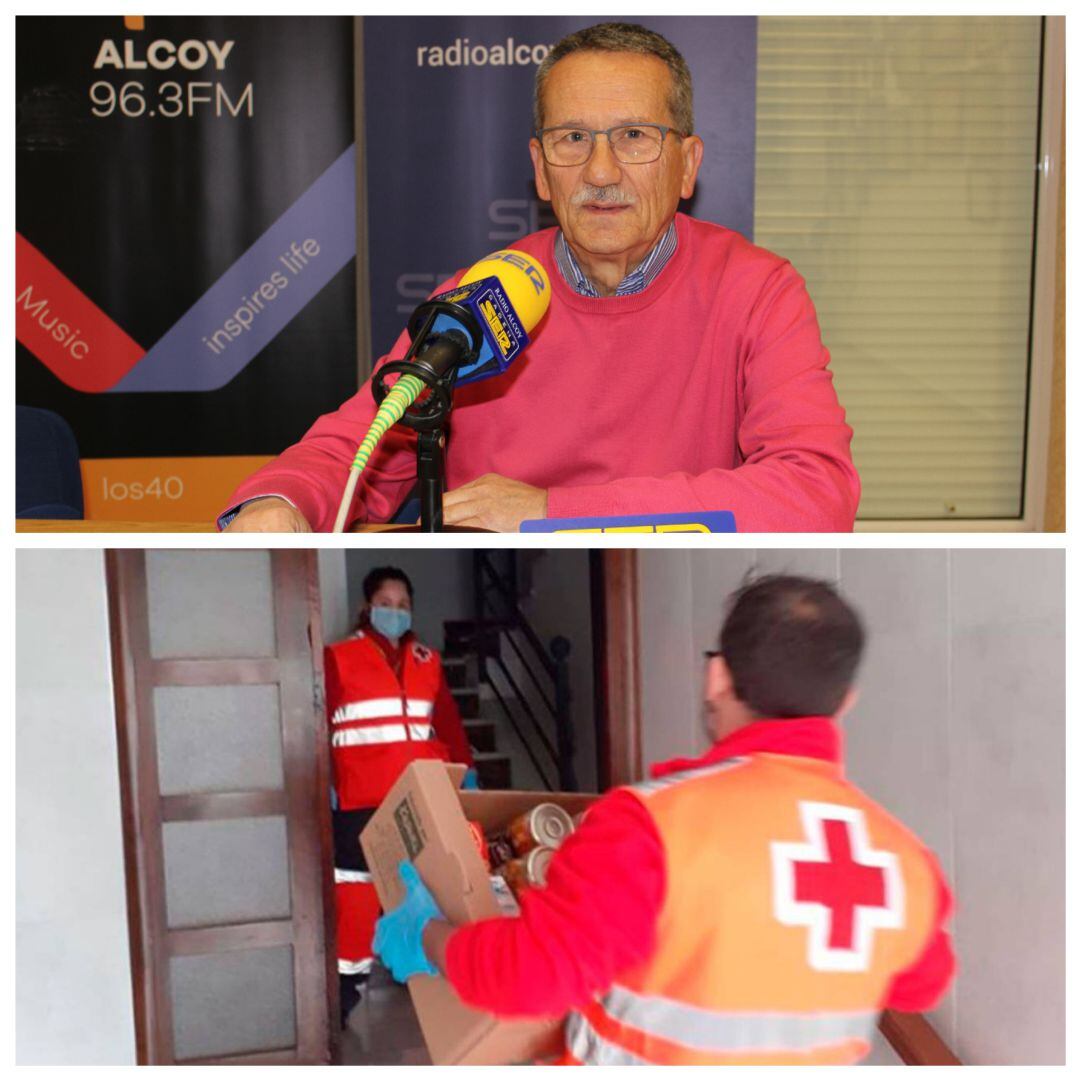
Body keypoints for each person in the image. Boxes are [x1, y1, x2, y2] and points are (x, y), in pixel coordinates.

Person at [220, 22, 859, 533]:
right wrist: (280, 501)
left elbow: (814, 496)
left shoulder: (758, 292)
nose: (601, 171)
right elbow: (352, 449)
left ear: (687, 164)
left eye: (635, 136)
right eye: (573, 138)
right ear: (541, 169)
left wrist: (550, 515)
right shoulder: (480, 297)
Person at [373, 575, 956, 1065]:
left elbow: (530, 976)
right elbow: (921, 980)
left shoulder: (651, 825)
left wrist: (426, 935)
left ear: (718, 677)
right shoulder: (905, 863)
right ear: (846, 699)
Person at [326, 565, 477, 1026]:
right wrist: (324, 786)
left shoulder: (428, 661)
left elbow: (448, 723)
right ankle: (345, 990)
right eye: (386, 604)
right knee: (356, 893)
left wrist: (466, 777)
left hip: (417, 798)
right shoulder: (339, 657)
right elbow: (321, 721)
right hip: (359, 799)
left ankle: (421, 979)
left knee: (421, 888)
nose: (395, 612)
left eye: (403, 605)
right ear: (367, 607)